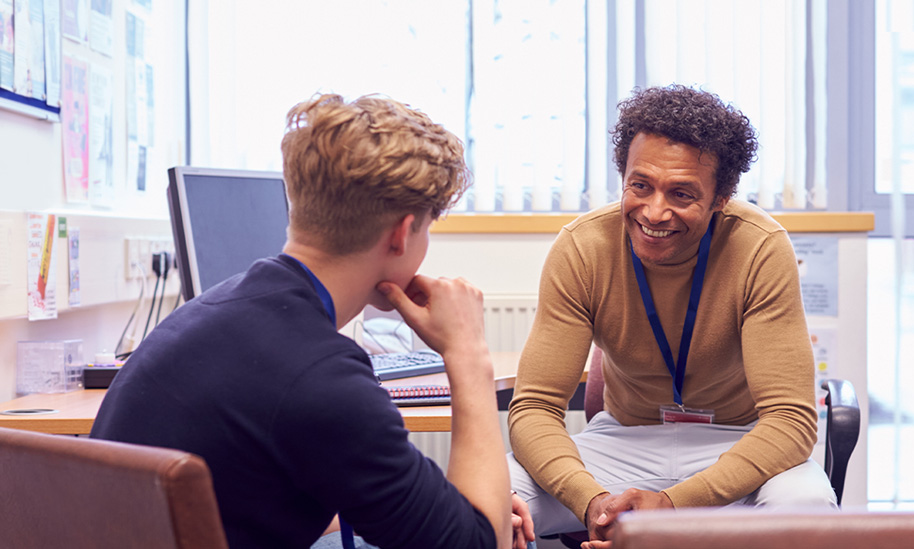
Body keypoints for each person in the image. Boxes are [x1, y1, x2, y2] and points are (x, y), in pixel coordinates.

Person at [91, 94, 534, 549]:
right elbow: (481, 544)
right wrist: (468, 354)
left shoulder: (207, 313)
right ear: (403, 233)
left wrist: (452, 504)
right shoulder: (322, 378)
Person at [507, 85, 836, 548]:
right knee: (488, 500)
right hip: (622, 444)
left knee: (806, 510)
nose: (654, 211)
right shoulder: (583, 248)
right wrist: (593, 501)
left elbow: (789, 421)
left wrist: (672, 506)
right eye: (640, 185)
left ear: (720, 197)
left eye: (681, 194)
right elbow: (534, 408)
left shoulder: (760, 248)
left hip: (738, 443)